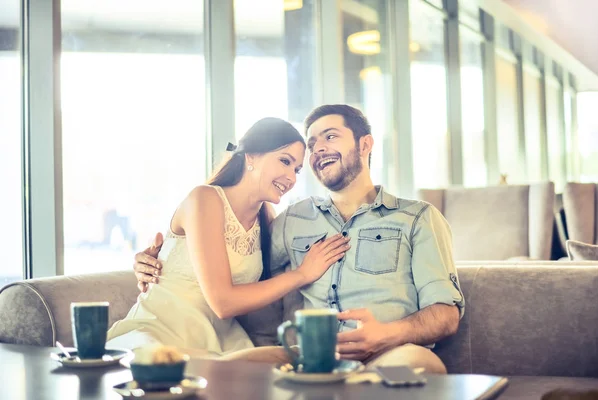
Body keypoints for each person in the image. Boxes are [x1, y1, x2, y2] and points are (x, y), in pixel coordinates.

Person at [134, 105, 465, 372]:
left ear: (365, 145)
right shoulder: (292, 221)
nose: (317, 149)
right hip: (305, 357)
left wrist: (386, 335)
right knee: (224, 374)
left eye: (330, 136)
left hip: (390, 353)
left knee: (416, 370)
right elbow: (226, 264)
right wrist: (151, 260)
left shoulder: (418, 217)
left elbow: (446, 314)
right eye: (311, 144)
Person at [106, 117, 350, 357]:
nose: (292, 178)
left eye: (296, 169)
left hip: (221, 340)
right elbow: (223, 303)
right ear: (251, 156)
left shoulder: (267, 218)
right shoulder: (204, 199)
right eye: (284, 161)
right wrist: (302, 275)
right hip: (159, 332)